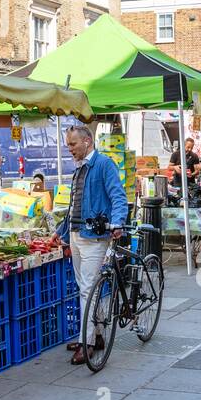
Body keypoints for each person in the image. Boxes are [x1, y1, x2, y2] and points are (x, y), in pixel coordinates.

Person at [59, 124, 128, 365]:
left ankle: (87, 343)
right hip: (77, 235)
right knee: (86, 288)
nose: (69, 149)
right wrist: (63, 233)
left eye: (72, 144)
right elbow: (73, 205)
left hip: (95, 237)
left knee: (88, 289)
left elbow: (118, 196)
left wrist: (118, 222)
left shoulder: (104, 165)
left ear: (87, 142)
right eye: (68, 144)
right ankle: (96, 335)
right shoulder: (79, 168)